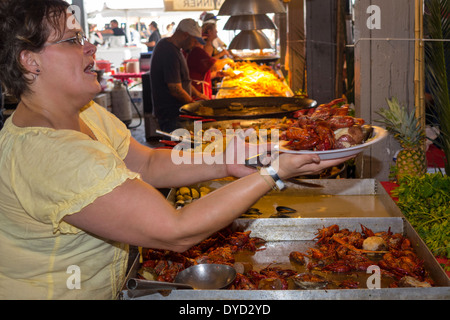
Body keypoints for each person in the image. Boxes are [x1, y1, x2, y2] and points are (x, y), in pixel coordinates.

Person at [0, 0, 353, 300]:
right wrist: (273, 173)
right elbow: (176, 229)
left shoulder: (85, 112)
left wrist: (234, 157)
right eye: (73, 40)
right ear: (30, 61)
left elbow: (150, 163)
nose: (90, 46)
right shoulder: (51, 153)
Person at [150, 18, 209, 132]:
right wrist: (193, 107)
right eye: (194, 40)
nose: (194, 45)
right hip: (172, 116)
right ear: (185, 35)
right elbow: (175, 89)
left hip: (177, 114)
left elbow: (182, 80)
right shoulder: (168, 51)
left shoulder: (173, 48)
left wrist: (200, 95)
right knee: (180, 149)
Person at [187, 24, 233, 99]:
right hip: (198, 94)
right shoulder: (196, 50)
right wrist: (227, 60)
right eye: (202, 42)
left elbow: (200, 73)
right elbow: (214, 66)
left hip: (199, 91)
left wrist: (216, 74)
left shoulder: (191, 51)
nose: (203, 46)